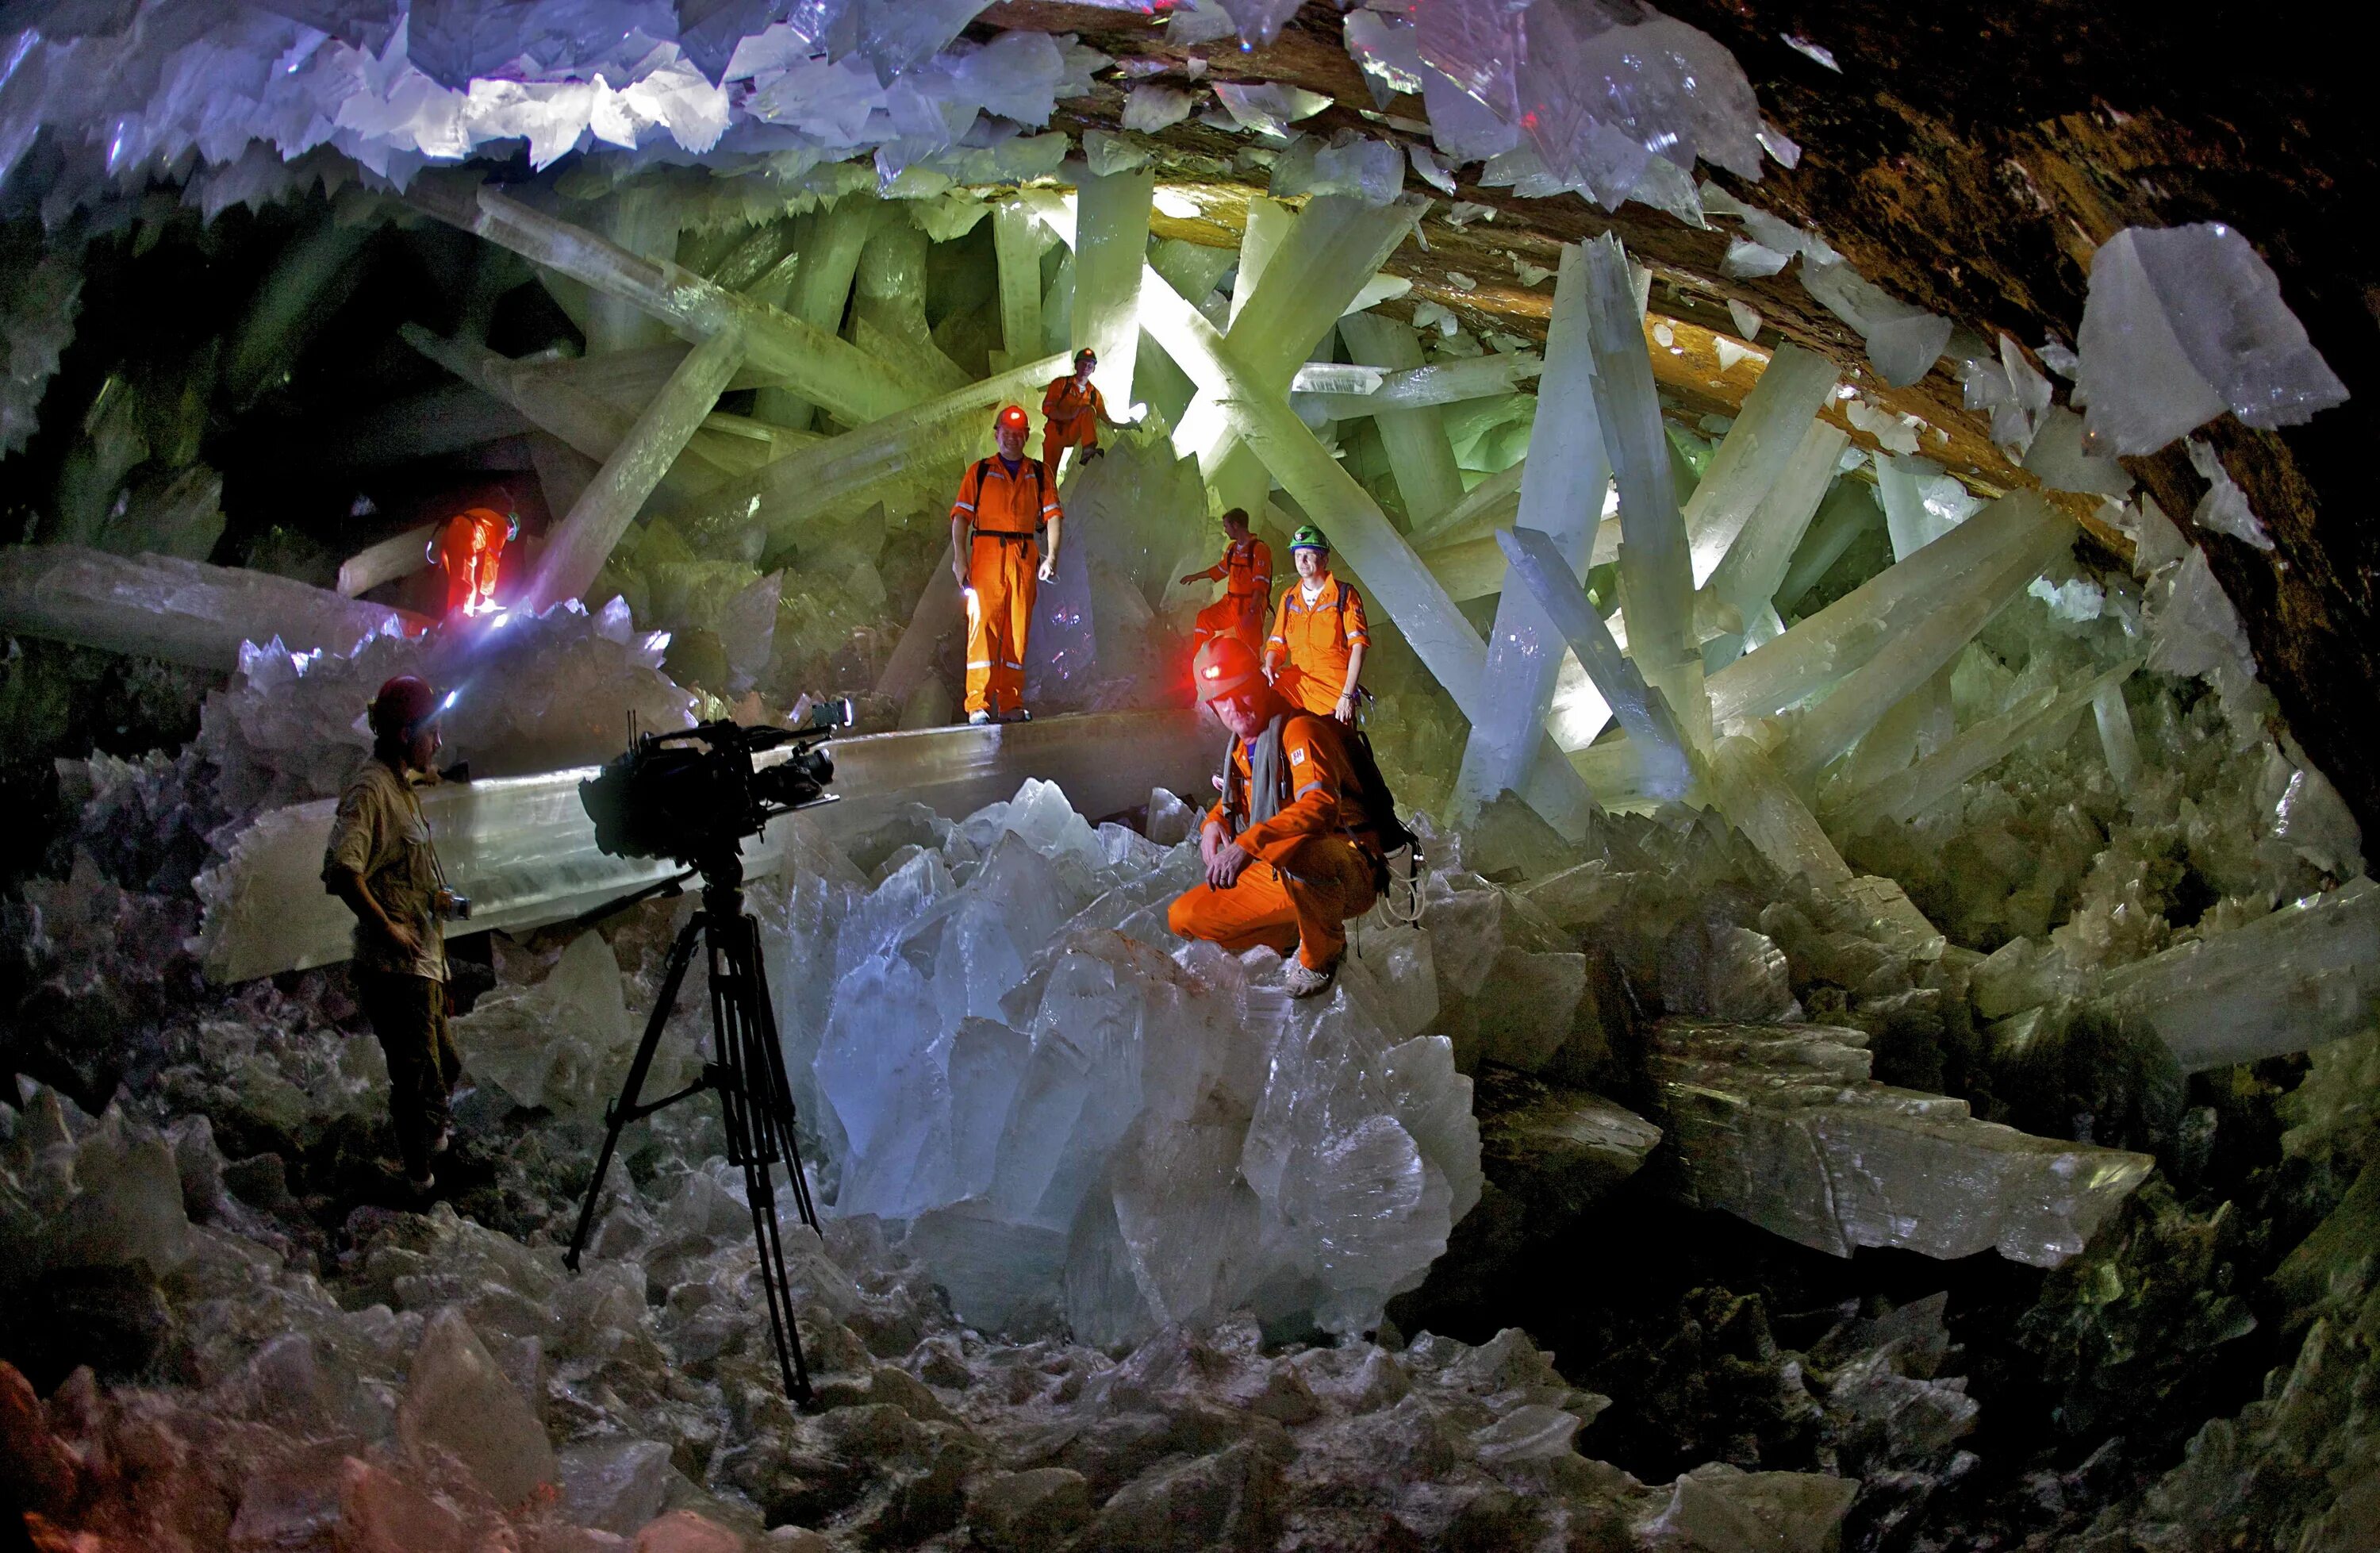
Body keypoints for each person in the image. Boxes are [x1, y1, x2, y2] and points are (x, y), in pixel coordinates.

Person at [1166, 636, 1391, 998]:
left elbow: (1320, 806)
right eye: (1221, 698)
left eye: (1242, 689)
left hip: (1347, 867)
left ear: (1261, 681)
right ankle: (1292, 936)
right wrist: (1215, 823)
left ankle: (1324, 952)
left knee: (1298, 850)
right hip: (1284, 873)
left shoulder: (1300, 730)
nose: (1234, 706)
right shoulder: (1242, 749)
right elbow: (1236, 802)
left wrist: (1246, 845)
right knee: (1184, 918)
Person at [323, 675, 464, 1195]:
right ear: (406, 733)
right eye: (433, 732)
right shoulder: (372, 790)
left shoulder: (401, 782)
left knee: (445, 1066)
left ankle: (432, 1155)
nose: (440, 742)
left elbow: (403, 861)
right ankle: (420, 1184)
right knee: (418, 1080)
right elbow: (343, 868)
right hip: (395, 968)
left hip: (423, 964)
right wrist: (387, 926)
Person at [950, 404, 1063, 725]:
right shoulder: (980, 471)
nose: (1013, 439)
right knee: (982, 629)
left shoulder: (1039, 473)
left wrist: (1052, 556)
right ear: (996, 435)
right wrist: (960, 559)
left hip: (1024, 555)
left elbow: (1053, 515)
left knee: (1017, 632)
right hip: (986, 554)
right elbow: (961, 518)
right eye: (1007, 433)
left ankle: (1011, 703)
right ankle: (977, 704)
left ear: (1027, 436)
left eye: (1019, 434)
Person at [1264, 524, 1368, 724]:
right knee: (1260, 705)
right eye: (1297, 555)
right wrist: (1270, 664)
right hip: (1297, 688)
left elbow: (1359, 646)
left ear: (1324, 559)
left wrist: (1347, 696)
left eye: (1308, 555)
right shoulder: (1289, 598)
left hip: (1333, 693)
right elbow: (1276, 644)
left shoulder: (1344, 595)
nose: (1301, 561)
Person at [1181, 506, 1273, 658]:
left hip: (1249, 606)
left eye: (1226, 526)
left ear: (1236, 525)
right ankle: (1199, 660)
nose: (1225, 531)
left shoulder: (1259, 549)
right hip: (1231, 603)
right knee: (1205, 619)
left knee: (1249, 649)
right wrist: (1196, 576)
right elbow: (1221, 570)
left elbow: (1260, 586)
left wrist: (1251, 613)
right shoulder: (1232, 549)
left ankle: (1252, 677)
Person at [1040, 348, 1123, 472]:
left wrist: (1126, 426)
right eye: (1083, 364)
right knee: (1048, 473)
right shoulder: (1061, 384)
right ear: (1076, 365)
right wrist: (1071, 414)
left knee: (1088, 410)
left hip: (1074, 432)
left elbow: (1105, 419)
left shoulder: (1094, 394)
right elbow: (1047, 409)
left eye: (1090, 366)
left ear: (1093, 369)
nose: (1086, 368)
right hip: (1055, 433)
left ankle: (1088, 449)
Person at [428, 506, 518, 617]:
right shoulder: (502, 527)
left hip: (450, 532)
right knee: (465, 585)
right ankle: (460, 622)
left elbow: (479, 553)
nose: (507, 537)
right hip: (463, 533)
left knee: (455, 583)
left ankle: (450, 617)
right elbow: (492, 560)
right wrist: (487, 595)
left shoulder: (488, 516)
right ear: (512, 529)